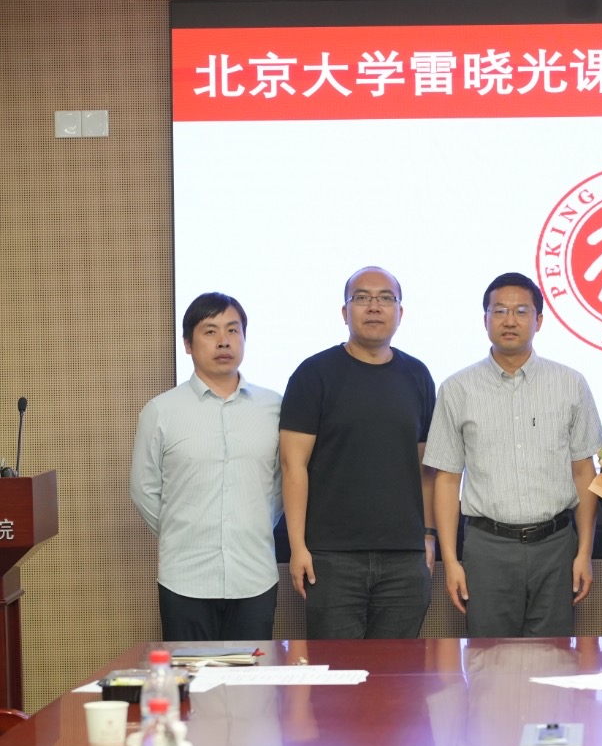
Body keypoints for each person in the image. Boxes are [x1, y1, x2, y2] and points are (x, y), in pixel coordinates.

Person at [426, 272, 602, 638]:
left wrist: (584, 552)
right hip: (487, 549)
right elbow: (447, 479)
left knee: (556, 661)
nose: (510, 320)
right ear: (485, 319)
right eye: (500, 311)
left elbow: (584, 473)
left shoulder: (570, 383)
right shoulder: (457, 388)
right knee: (488, 661)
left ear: (539, 320)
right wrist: (451, 561)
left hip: (556, 547)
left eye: (521, 311)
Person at [279, 266, 436, 639]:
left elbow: (426, 467)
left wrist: (428, 536)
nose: (374, 307)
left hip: (404, 558)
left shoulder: (417, 375)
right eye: (362, 298)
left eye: (386, 298)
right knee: (337, 670)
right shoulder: (314, 374)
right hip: (332, 558)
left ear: (400, 312)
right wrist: (297, 547)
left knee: (398, 671)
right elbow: (292, 465)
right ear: (344, 311)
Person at [130, 292, 282, 641]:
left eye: (233, 330)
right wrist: (181, 530)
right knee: (189, 674)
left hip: (254, 575)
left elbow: (279, 486)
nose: (224, 341)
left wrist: (254, 523)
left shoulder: (274, 407)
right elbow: (144, 489)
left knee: (251, 674)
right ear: (188, 344)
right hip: (185, 577)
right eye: (210, 331)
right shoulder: (161, 410)